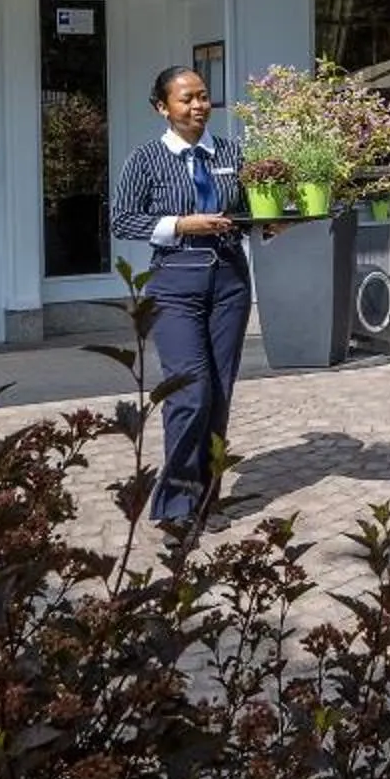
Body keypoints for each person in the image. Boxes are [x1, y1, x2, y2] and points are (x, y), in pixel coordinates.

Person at [111, 65, 249, 529]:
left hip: (230, 282)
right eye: (186, 98)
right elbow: (122, 220)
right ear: (162, 108)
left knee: (220, 392)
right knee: (190, 391)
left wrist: (274, 222)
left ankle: (206, 500)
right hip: (175, 283)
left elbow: (247, 212)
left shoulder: (230, 152)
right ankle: (174, 506)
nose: (197, 106)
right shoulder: (147, 159)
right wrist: (180, 224)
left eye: (203, 96)